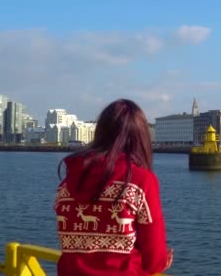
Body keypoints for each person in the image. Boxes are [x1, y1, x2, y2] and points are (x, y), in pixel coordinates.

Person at [55, 99, 173, 276]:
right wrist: (162, 261)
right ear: (141, 138)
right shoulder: (141, 181)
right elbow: (154, 259)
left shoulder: (68, 182)